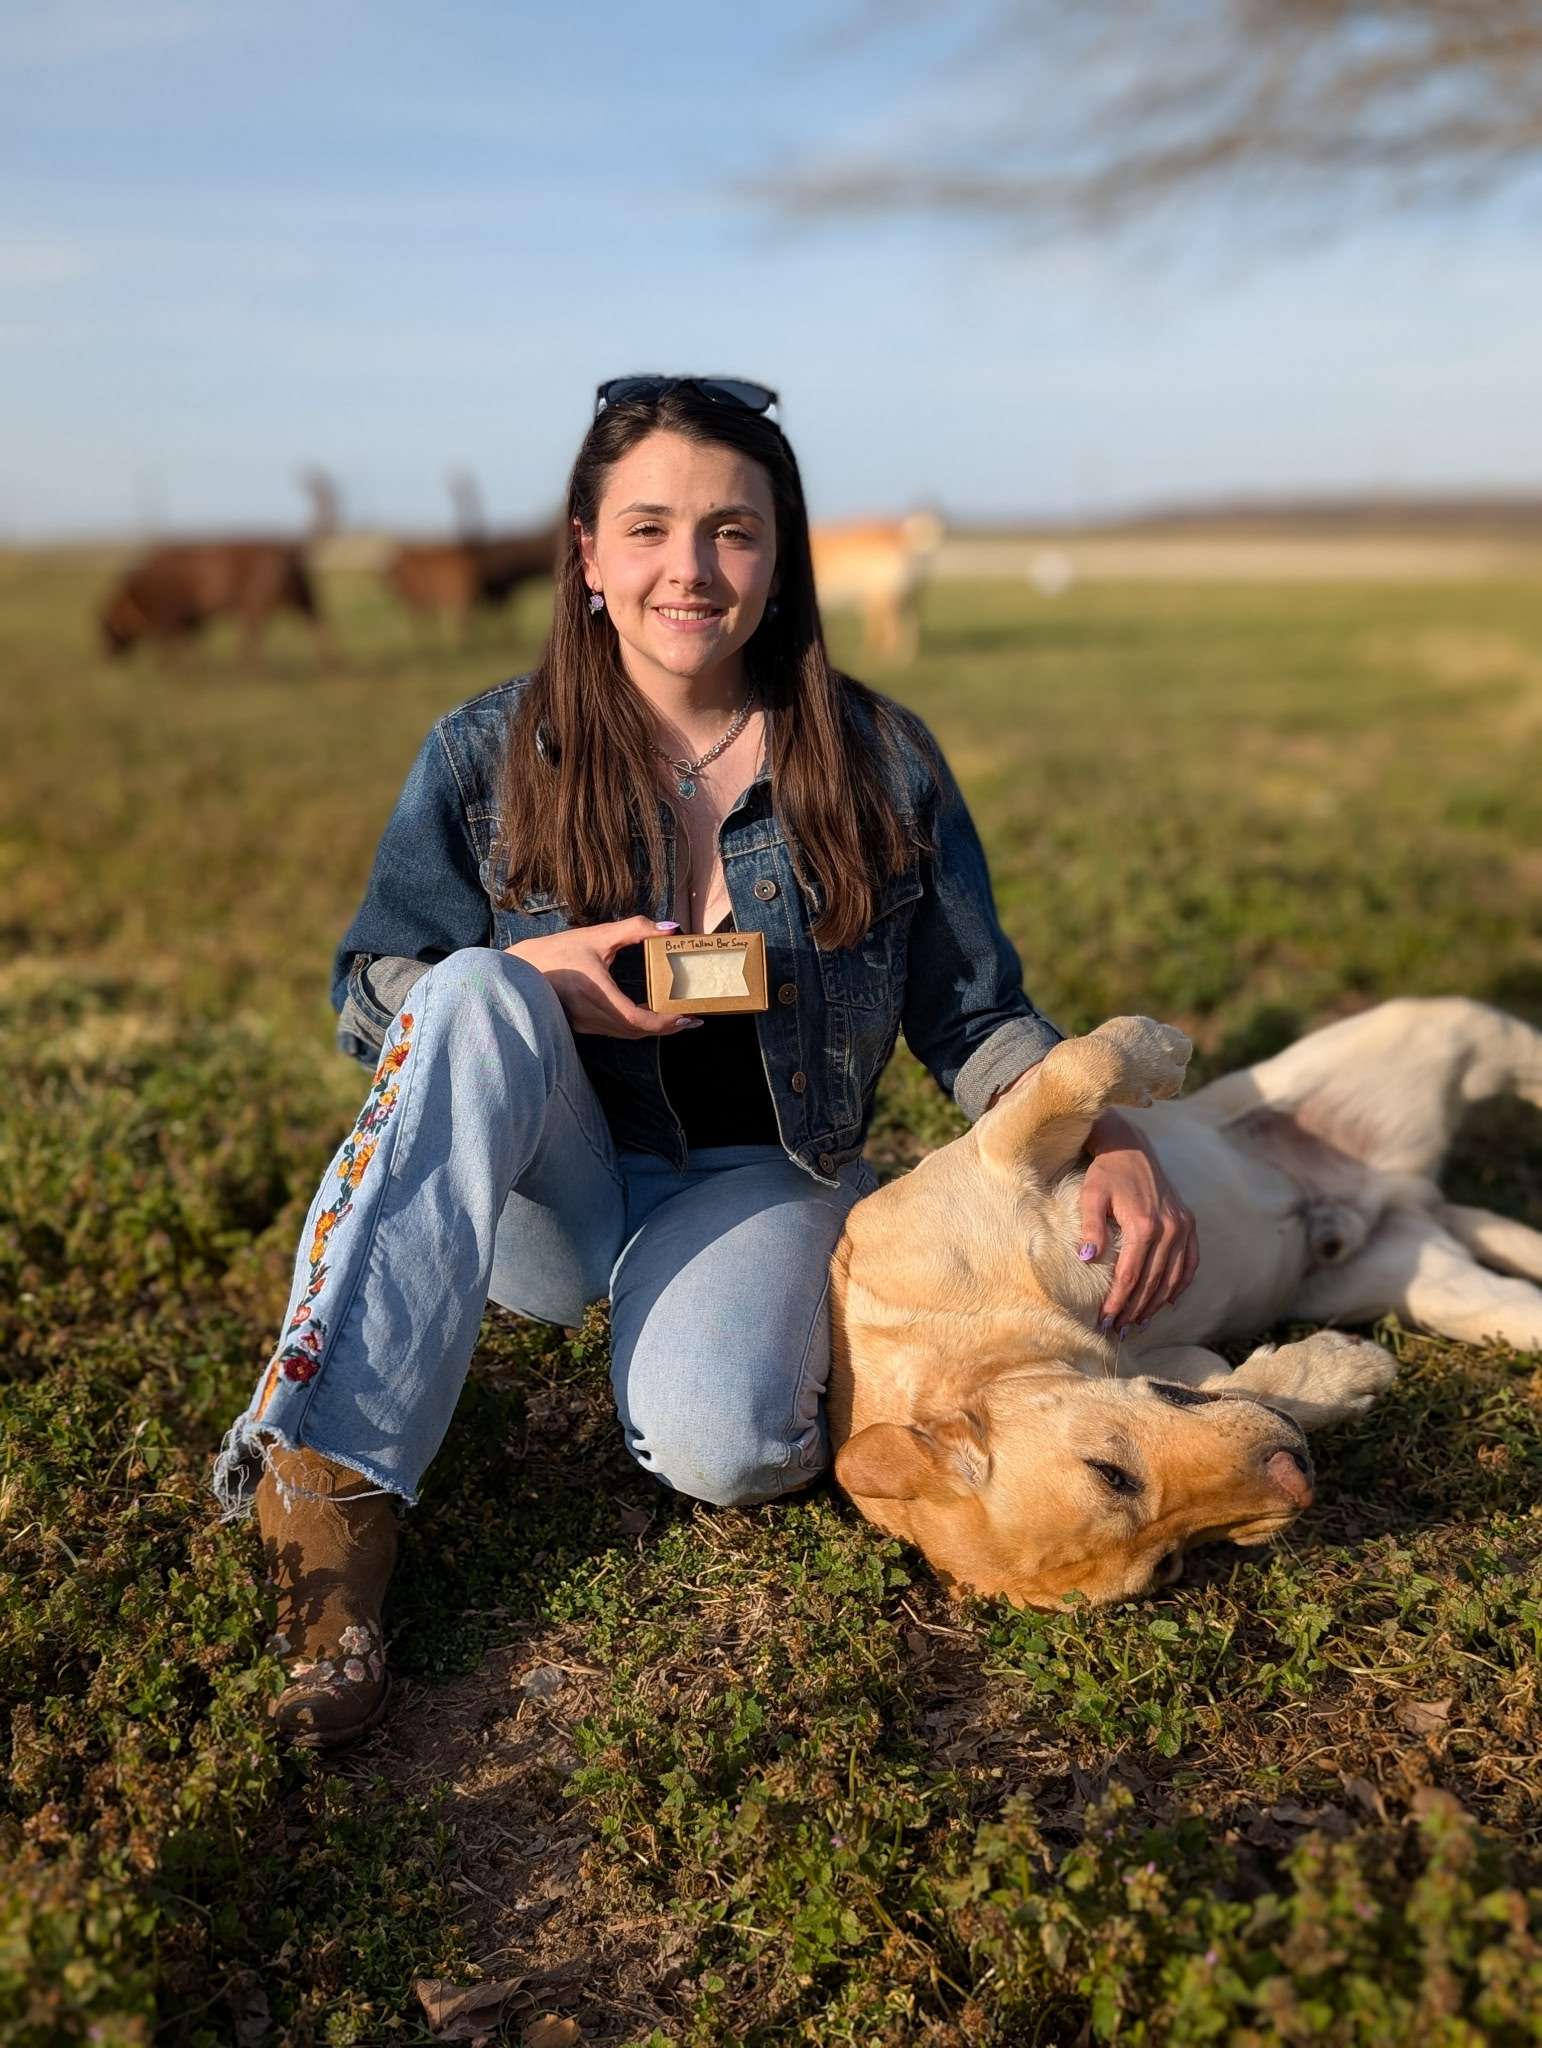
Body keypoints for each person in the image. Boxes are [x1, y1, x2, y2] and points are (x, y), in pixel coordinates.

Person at [212, 376, 1198, 1748]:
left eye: (733, 530)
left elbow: (972, 1021)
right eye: (651, 527)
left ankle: (688, 1321)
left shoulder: (880, 759)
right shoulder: (485, 750)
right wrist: (526, 981)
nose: (690, 568)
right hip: (543, 1190)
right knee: (476, 996)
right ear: (587, 554)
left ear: (780, 554)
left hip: (760, 1178)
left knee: (728, 1450)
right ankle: (331, 1505)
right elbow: (369, 990)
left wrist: (1107, 1128)